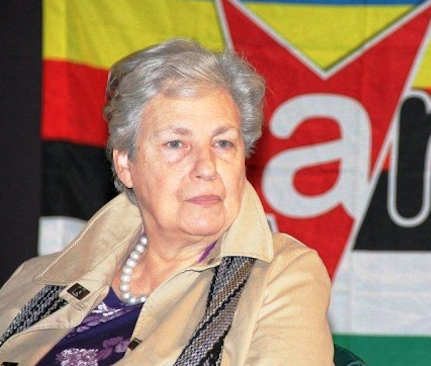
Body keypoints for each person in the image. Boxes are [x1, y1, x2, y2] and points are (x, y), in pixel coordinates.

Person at [0, 38, 334, 365]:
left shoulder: (282, 276)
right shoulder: (35, 280)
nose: (207, 167)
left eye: (223, 143)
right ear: (126, 164)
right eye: (176, 144)